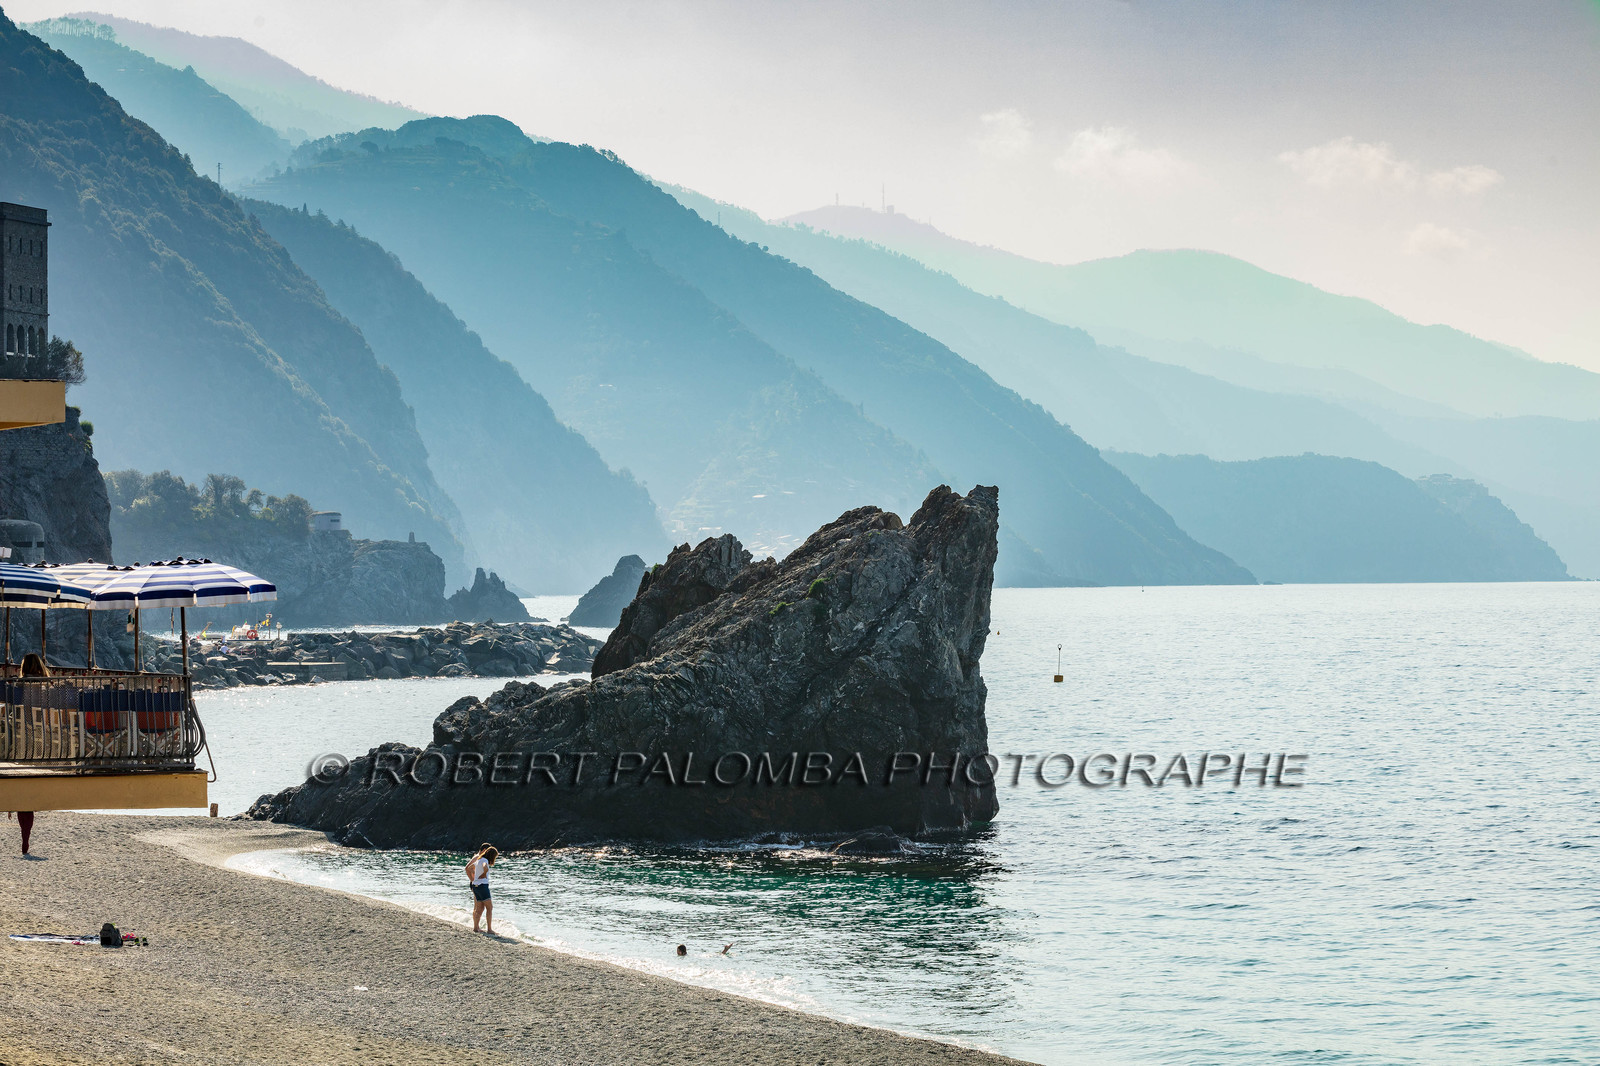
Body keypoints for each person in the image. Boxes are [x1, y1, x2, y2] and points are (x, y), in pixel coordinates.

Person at [13, 654, 48, 856]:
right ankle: (26, 837)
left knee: (22, 798)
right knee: (26, 800)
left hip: (23, 721)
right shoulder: (45, 683)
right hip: (42, 721)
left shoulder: (20, 683)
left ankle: (25, 837)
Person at [466, 845, 497, 933]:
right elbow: (485, 867)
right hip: (483, 886)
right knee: (489, 907)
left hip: (476, 886)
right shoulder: (485, 861)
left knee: (479, 908)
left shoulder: (479, 859)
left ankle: (476, 928)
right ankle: (489, 929)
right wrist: (482, 875)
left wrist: (475, 876)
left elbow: (469, 868)